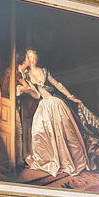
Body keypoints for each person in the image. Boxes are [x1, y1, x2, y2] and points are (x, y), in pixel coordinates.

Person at [14, 48, 92, 180]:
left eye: (34, 56)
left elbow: (58, 85)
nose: (32, 59)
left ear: (37, 58)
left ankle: (66, 160)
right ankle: (49, 159)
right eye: (29, 57)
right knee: (40, 132)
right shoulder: (25, 74)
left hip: (55, 103)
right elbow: (34, 93)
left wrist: (71, 97)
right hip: (43, 105)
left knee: (66, 132)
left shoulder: (44, 71)